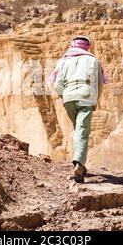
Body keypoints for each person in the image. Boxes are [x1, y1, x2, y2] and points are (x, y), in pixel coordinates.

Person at [50, 36, 108, 183]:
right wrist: (94, 100)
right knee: (82, 130)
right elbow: (99, 83)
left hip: (69, 97)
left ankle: (80, 162)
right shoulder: (93, 60)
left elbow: (58, 84)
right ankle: (79, 165)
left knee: (78, 129)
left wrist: (64, 96)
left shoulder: (65, 60)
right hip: (86, 95)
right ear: (87, 46)